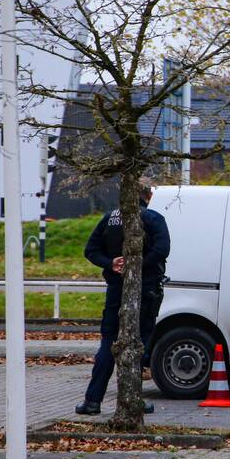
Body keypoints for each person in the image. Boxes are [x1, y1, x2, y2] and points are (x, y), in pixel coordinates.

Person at [75, 178, 170, 416]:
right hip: (145, 291)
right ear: (148, 195)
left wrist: (112, 263)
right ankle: (133, 398)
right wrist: (137, 266)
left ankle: (93, 400)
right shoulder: (152, 218)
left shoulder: (110, 218)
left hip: (115, 290)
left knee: (109, 342)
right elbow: (162, 250)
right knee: (139, 343)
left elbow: (90, 251)